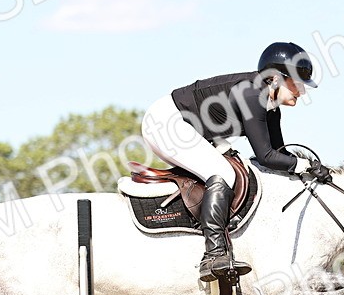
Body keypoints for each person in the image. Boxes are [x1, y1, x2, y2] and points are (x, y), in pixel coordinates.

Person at [141, 41, 332, 282]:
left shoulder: (271, 106)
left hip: (197, 130)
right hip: (167, 124)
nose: (302, 91)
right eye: (297, 83)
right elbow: (266, 156)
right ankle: (213, 254)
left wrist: (309, 172)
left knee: (239, 167)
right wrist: (305, 165)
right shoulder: (253, 96)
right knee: (224, 173)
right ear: (275, 79)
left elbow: (277, 155)